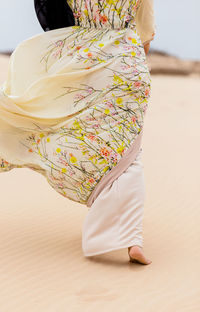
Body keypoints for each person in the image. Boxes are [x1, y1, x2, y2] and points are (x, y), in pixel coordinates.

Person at [0, 0, 156, 264]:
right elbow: (146, 34)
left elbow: (54, 14)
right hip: (127, 66)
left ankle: (122, 232)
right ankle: (131, 239)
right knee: (129, 153)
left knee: (73, 132)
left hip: (85, 60)